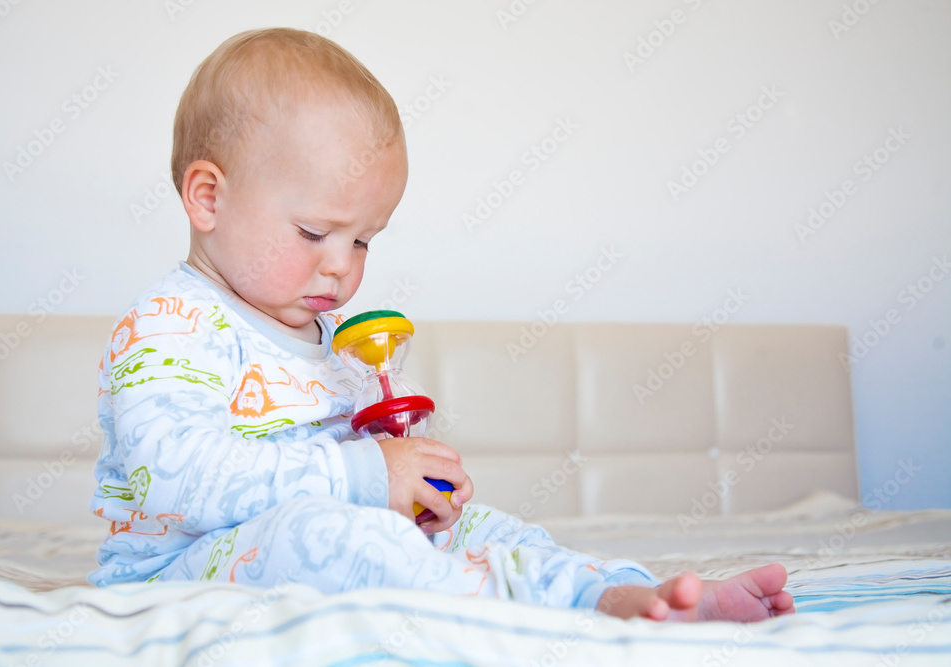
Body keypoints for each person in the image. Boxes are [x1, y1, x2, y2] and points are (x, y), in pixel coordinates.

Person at [88, 27, 795, 622]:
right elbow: (178, 481)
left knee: (487, 527)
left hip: (311, 541)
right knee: (321, 535)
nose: (341, 267)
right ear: (208, 198)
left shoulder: (328, 340)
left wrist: (409, 486)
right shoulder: (171, 325)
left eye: (364, 241)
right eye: (314, 232)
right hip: (176, 579)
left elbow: (349, 470)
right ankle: (499, 613)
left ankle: (620, 596)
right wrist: (367, 475)